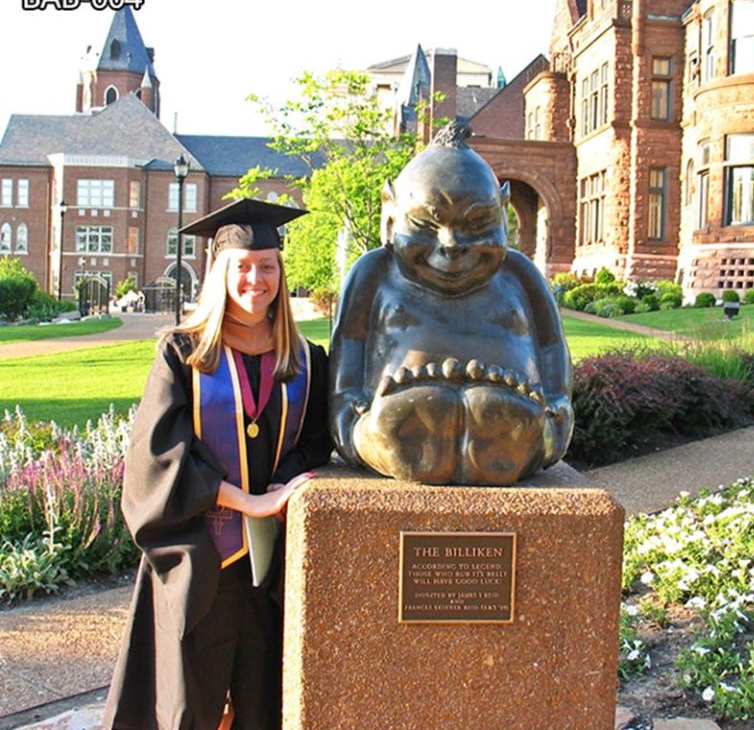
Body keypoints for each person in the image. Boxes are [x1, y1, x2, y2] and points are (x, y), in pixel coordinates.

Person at [103, 199, 333, 730]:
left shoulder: (305, 360)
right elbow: (161, 456)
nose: (256, 279)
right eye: (242, 267)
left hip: (268, 569)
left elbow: (314, 445)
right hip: (197, 561)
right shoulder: (181, 355)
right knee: (187, 710)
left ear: (281, 271)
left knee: (265, 704)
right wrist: (247, 500)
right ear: (219, 272)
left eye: (267, 266)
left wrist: (281, 492)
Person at [330, 122, 573, 485]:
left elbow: (552, 350)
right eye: (426, 224)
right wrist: (353, 420)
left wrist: (556, 411)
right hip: (395, 412)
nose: (450, 243)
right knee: (394, 424)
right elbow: (347, 363)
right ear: (391, 214)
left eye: (477, 224)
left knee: (510, 420)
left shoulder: (520, 277)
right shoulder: (374, 274)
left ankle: (518, 432)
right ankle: (393, 432)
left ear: (503, 212)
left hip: (515, 417)